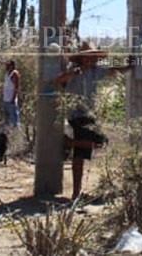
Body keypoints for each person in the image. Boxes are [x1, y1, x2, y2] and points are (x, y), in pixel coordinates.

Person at [55, 42, 133, 200]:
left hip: (89, 114)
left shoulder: (95, 71)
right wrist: (71, 74)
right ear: (82, 58)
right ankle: (69, 144)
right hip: (77, 115)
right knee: (96, 143)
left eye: (94, 58)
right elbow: (58, 81)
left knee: (86, 150)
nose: (92, 60)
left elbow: (113, 71)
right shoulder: (73, 69)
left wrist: (129, 65)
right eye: (89, 57)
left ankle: (76, 192)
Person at [2, 59, 21, 129]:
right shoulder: (7, 74)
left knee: (14, 119)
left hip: (11, 100)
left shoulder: (14, 74)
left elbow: (16, 87)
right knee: (7, 119)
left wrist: (13, 98)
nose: (6, 66)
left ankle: (16, 134)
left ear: (12, 66)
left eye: (8, 65)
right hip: (5, 99)